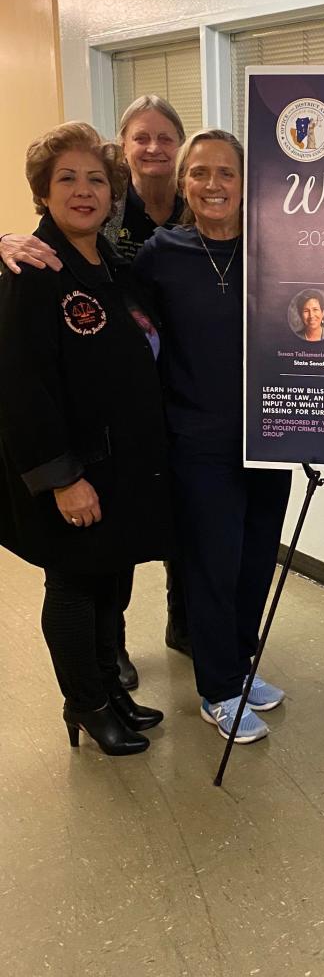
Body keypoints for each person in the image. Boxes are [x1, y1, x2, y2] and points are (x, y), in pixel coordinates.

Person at [0, 94, 192, 679]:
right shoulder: (34, 269)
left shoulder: (111, 260)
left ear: (112, 195)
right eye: (67, 179)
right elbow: (21, 381)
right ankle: (88, 699)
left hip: (124, 453)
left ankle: (108, 691)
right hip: (76, 462)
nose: (83, 191)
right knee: (78, 582)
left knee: (110, 570)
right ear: (43, 191)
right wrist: (61, 476)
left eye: (94, 182)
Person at [133, 129, 291, 745]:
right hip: (196, 438)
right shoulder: (159, 254)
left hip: (271, 434)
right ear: (182, 183)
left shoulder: (276, 249)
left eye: (226, 173)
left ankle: (240, 668)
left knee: (256, 560)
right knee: (212, 565)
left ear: (246, 182)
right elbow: (121, 322)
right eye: (199, 173)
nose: (213, 185)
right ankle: (218, 689)